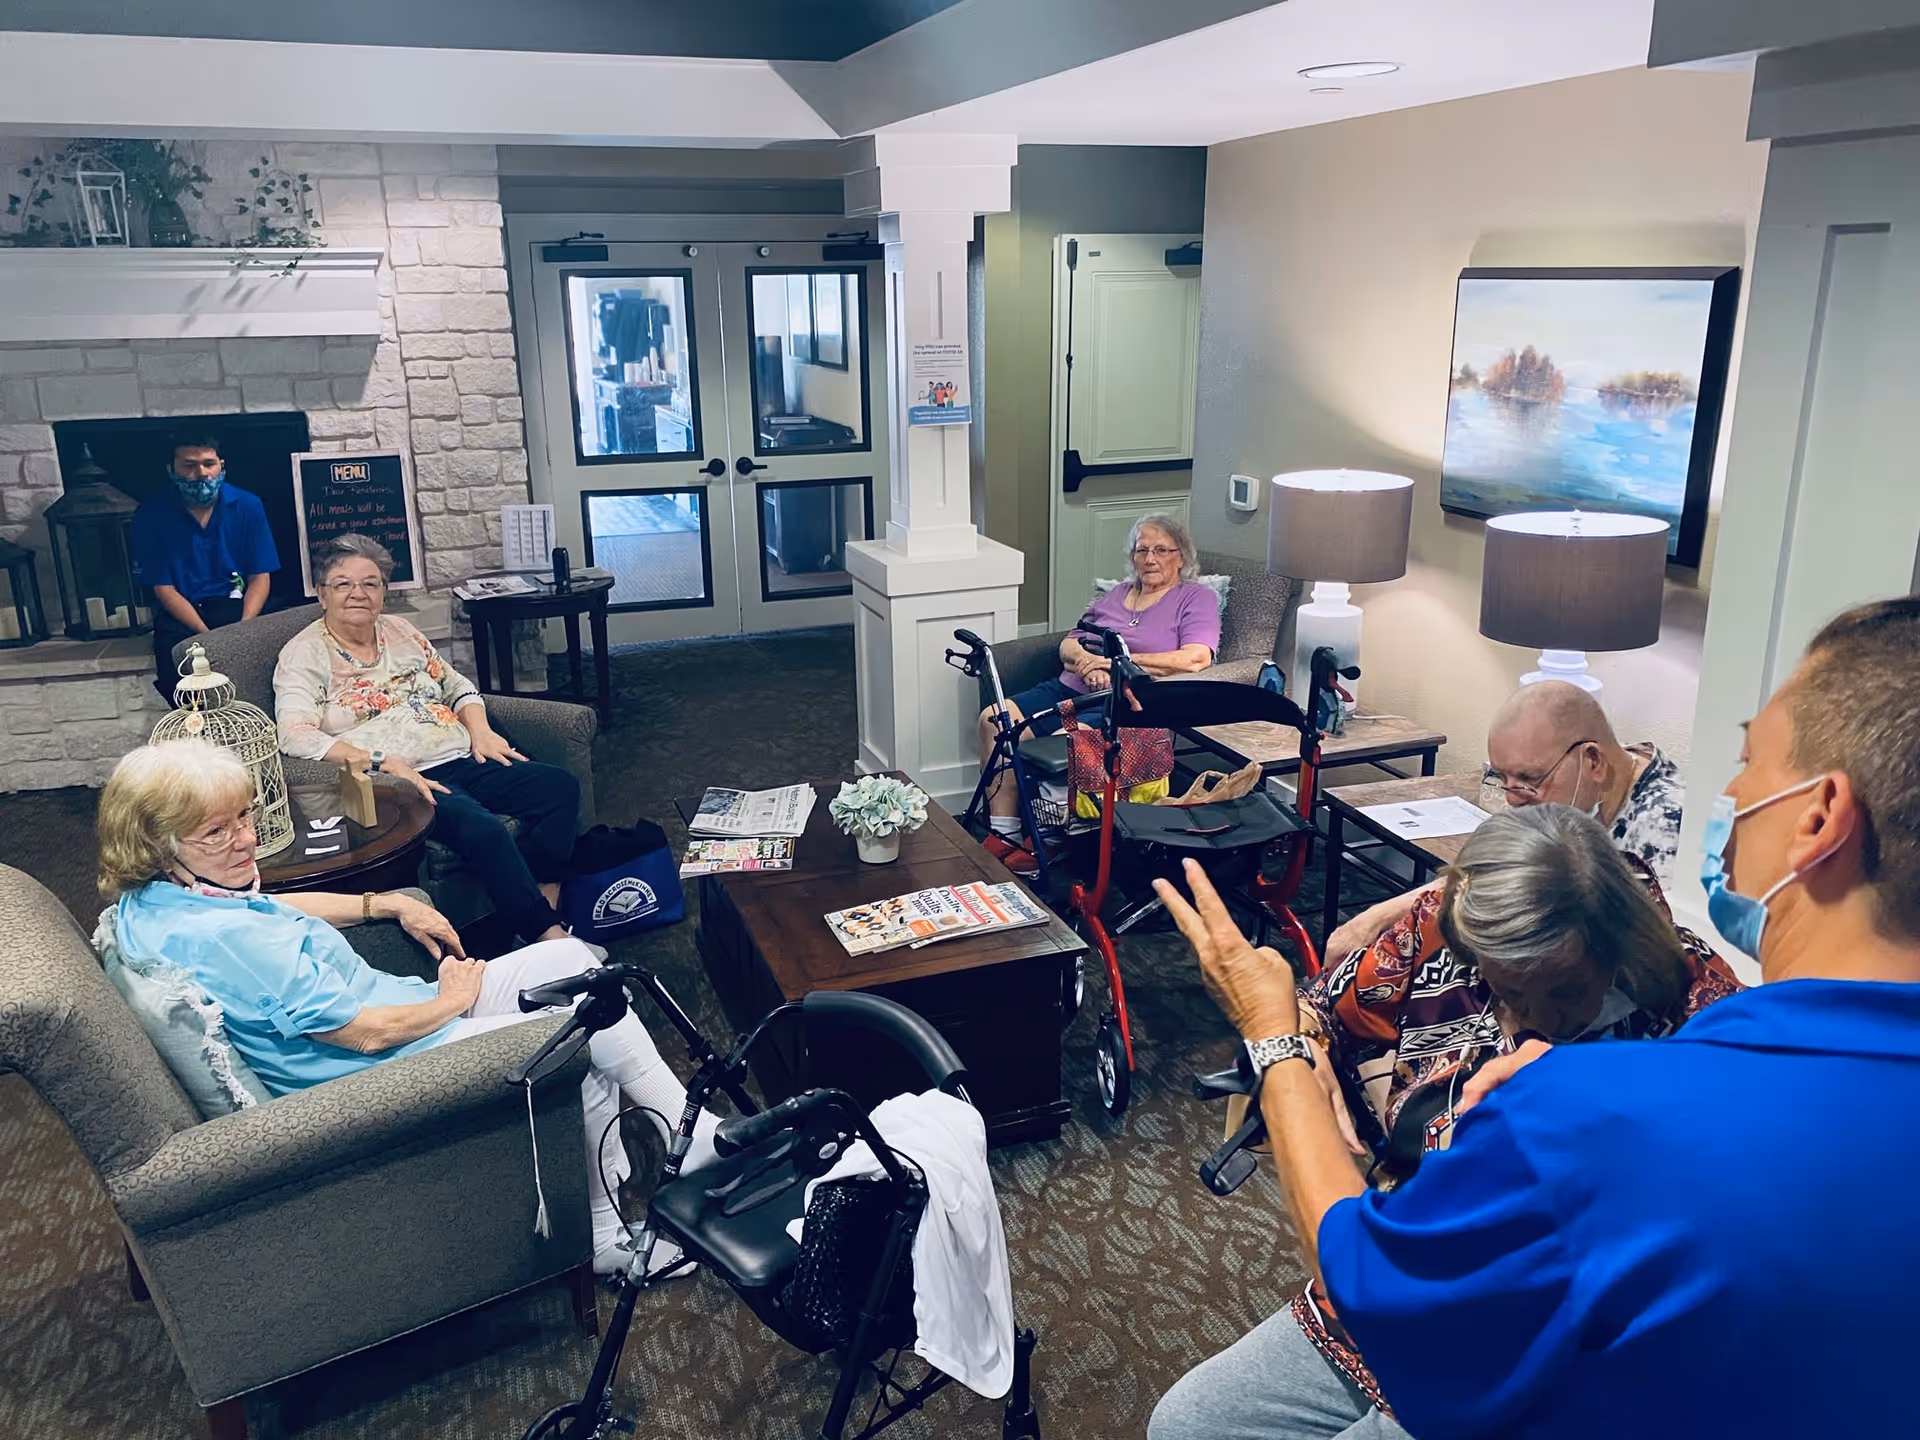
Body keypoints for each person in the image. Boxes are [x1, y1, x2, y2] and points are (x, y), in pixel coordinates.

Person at [1149, 593, 1920, 1439]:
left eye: (1749, 762)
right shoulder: (1723, 1075)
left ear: (1819, 819)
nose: (1730, 790)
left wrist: (1275, 1036)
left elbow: (1370, 1280)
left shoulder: (1595, 1106)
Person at [98, 738, 716, 1274]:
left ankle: (687, 1133)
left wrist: (381, 902)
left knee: (576, 964)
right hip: (384, 1068)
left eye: (243, 816)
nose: (246, 840)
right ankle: (606, 1235)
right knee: (576, 1032)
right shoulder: (222, 938)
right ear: (157, 843)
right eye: (217, 831)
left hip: (401, 1020)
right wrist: (454, 1001)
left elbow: (272, 910)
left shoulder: (165, 901)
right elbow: (365, 1036)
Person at [1261, 805, 1741, 1431]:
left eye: (1568, 989)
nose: (1542, 1017)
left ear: (1615, 947)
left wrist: (1586, 1093)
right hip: (1404, 1265)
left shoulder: (1698, 1007)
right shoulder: (1437, 934)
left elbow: (1735, 1194)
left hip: (1541, 1332)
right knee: (1188, 1421)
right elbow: (1318, 1003)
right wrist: (1303, 1044)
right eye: (1511, 990)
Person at [274, 533, 579, 946]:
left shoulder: (400, 629)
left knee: (558, 787)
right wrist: (383, 762)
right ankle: (547, 936)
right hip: (401, 779)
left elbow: (456, 685)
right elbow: (293, 734)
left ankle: (544, 904)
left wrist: (481, 730)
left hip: (459, 753)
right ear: (322, 594)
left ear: (383, 590)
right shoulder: (304, 653)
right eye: (343, 584)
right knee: (482, 828)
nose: (358, 593)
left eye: (370, 582)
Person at [1325, 679, 1685, 958]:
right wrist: (1380, 915)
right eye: (1503, 777)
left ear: (1592, 761)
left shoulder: (1665, 828)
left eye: (1529, 780)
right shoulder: (1592, 782)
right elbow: (1501, 866)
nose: (1513, 800)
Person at [976, 514, 1220, 872]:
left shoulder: (1194, 598)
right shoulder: (1117, 594)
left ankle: (1050, 840)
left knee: (1063, 743)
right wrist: (1089, 660)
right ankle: (1004, 832)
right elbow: (1069, 645)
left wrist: (1119, 664)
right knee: (993, 720)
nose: (1150, 559)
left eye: (1161, 550)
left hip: (1124, 702)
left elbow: (1196, 657)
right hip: (1068, 687)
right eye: (1142, 551)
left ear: (1181, 556)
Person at [131, 431, 280, 704]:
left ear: (221, 465)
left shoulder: (248, 505)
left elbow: (260, 577)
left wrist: (243, 630)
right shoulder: (151, 513)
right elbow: (164, 588)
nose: (201, 473)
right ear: (171, 469)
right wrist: (209, 638)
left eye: (208, 464)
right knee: (181, 688)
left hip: (239, 608)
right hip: (183, 615)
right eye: (189, 465)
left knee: (266, 680)